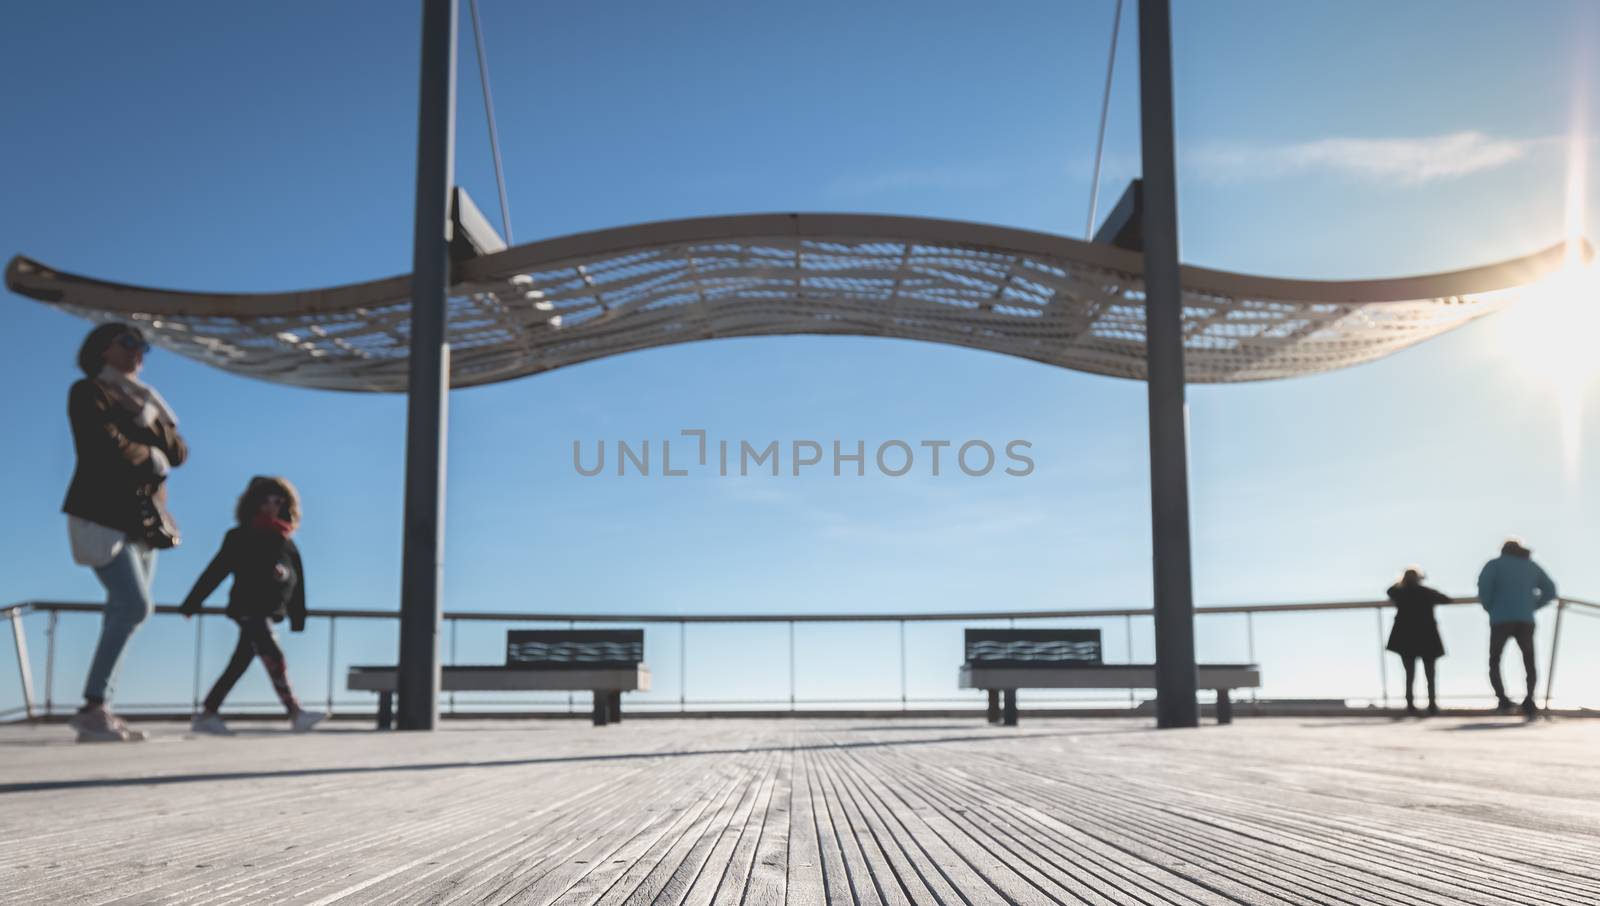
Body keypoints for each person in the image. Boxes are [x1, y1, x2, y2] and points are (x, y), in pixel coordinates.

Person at [63, 323, 187, 742]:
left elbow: (179, 452)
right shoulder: (89, 392)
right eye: (129, 343)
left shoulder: (145, 401)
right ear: (103, 349)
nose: (139, 352)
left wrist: (148, 422)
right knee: (135, 605)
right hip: (101, 514)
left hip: (141, 522)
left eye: (144, 345)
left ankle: (98, 710)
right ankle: (94, 705)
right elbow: (101, 443)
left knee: (122, 610)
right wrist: (150, 453)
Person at [180, 476, 327, 734]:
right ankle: (295, 712)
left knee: (239, 663)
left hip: (271, 611)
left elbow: (298, 582)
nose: (271, 505)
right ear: (254, 503)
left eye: (278, 500)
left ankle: (208, 713)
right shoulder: (240, 536)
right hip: (248, 608)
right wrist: (193, 602)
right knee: (274, 655)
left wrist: (298, 617)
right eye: (265, 500)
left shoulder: (287, 542)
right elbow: (217, 570)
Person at [1477, 539, 1556, 717]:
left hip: (1500, 619)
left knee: (1495, 660)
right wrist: (1532, 606)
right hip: (1525, 619)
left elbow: (1484, 588)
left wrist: (1491, 607)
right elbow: (1550, 590)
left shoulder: (1494, 565)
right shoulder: (1531, 566)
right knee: (1529, 661)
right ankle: (1529, 701)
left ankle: (1503, 701)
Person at [1385, 568, 1450, 716]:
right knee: (1430, 674)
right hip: (1427, 636)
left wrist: (1400, 583)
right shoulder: (1427, 592)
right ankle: (1432, 705)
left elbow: (1389, 590)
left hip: (1406, 637)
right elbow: (1446, 599)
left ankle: (1410, 706)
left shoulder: (1399, 592)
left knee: (1409, 674)